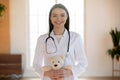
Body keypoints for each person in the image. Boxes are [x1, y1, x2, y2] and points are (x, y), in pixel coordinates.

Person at [33, 3, 88, 80]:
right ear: (50, 18)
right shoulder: (42, 39)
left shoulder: (76, 37)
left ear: (67, 17)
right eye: (54, 15)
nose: (58, 19)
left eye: (62, 15)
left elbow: (83, 63)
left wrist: (71, 72)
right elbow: (36, 64)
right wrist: (45, 73)